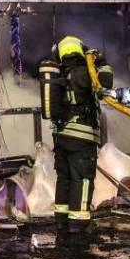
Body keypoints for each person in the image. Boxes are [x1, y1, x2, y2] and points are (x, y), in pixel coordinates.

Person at [37, 35, 113, 234]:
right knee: (82, 180)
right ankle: (78, 226)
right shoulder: (85, 72)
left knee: (65, 179)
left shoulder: (59, 75)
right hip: (82, 137)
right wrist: (101, 61)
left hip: (61, 137)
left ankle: (61, 222)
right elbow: (105, 84)